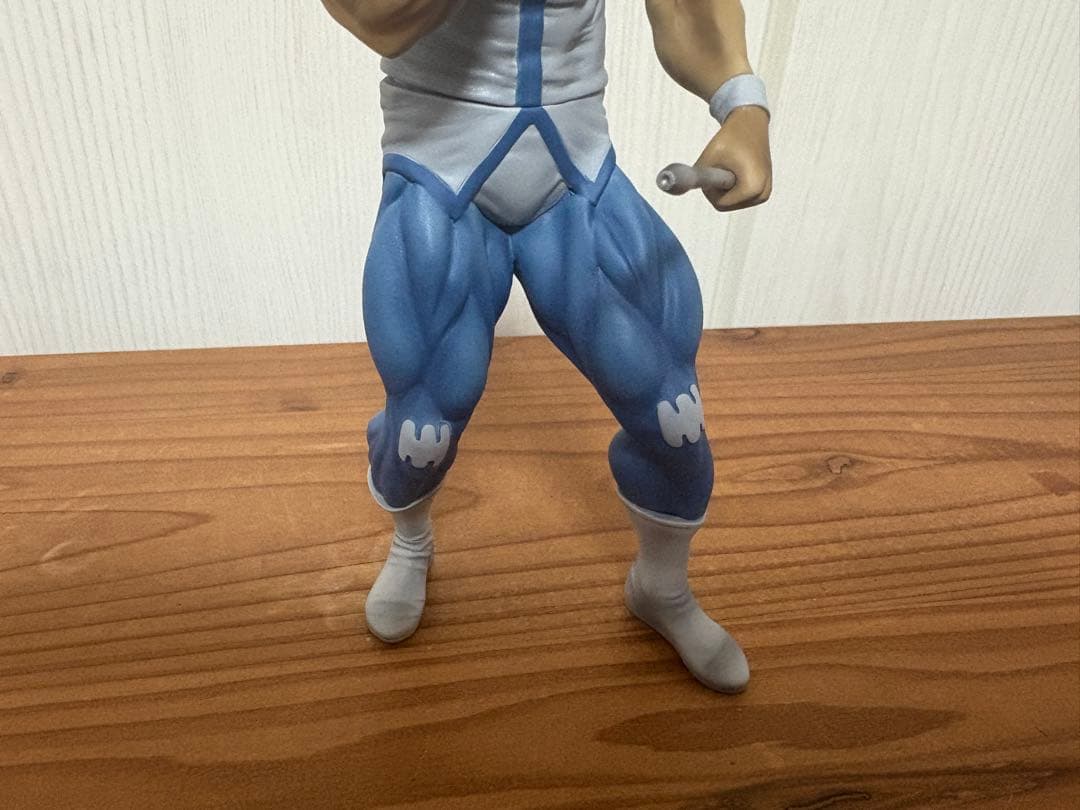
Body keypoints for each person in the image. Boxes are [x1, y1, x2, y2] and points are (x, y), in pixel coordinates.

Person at [319, 0, 772, 693]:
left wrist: (740, 102)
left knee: (672, 412)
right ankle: (411, 543)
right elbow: (379, 15)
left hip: (575, 175)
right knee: (423, 427)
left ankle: (662, 587)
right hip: (442, 173)